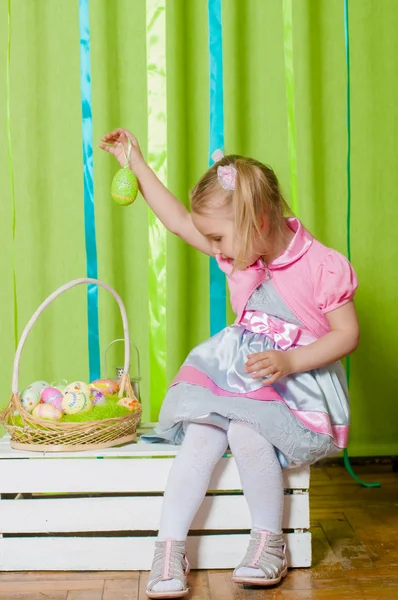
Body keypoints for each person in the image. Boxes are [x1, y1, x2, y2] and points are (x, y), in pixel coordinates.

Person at [100, 130, 360, 599]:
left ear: (259, 219)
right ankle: (168, 547)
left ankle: (268, 542)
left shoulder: (321, 265)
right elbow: (180, 221)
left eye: (219, 238)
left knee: (245, 432)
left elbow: (348, 334)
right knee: (201, 433)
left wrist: (291, 359)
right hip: (240, 373)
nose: (215, 251)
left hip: (297, 381)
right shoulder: (243, 252)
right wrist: (134, 161)